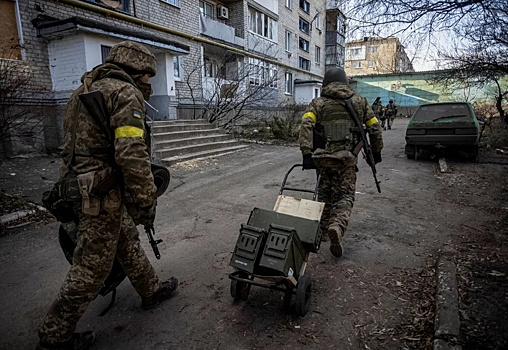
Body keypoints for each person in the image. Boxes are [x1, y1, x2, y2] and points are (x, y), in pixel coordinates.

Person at [36, 41, 178, 350]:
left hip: (78, 186)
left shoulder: (84, 90)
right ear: (137, 72)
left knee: (125, 239)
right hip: (101, 193)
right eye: (148, 76)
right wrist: (145, 200)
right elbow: (132, 154)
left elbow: (74, 148)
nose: (149, 82)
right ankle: (54, 336)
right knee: (92, 266)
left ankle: (151, 290)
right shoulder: (125, 94)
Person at [299, 67, 383, 258]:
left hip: (322, 159)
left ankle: (321, 231)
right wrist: (376, 152)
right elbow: (375, 128)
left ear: (326, 83)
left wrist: (306, 153)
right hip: (346, 159)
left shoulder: (318, 103)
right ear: (345, 81)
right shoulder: (360, 101)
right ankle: (337, 226)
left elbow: (306, 125)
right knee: (344, 196)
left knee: (324, 194)